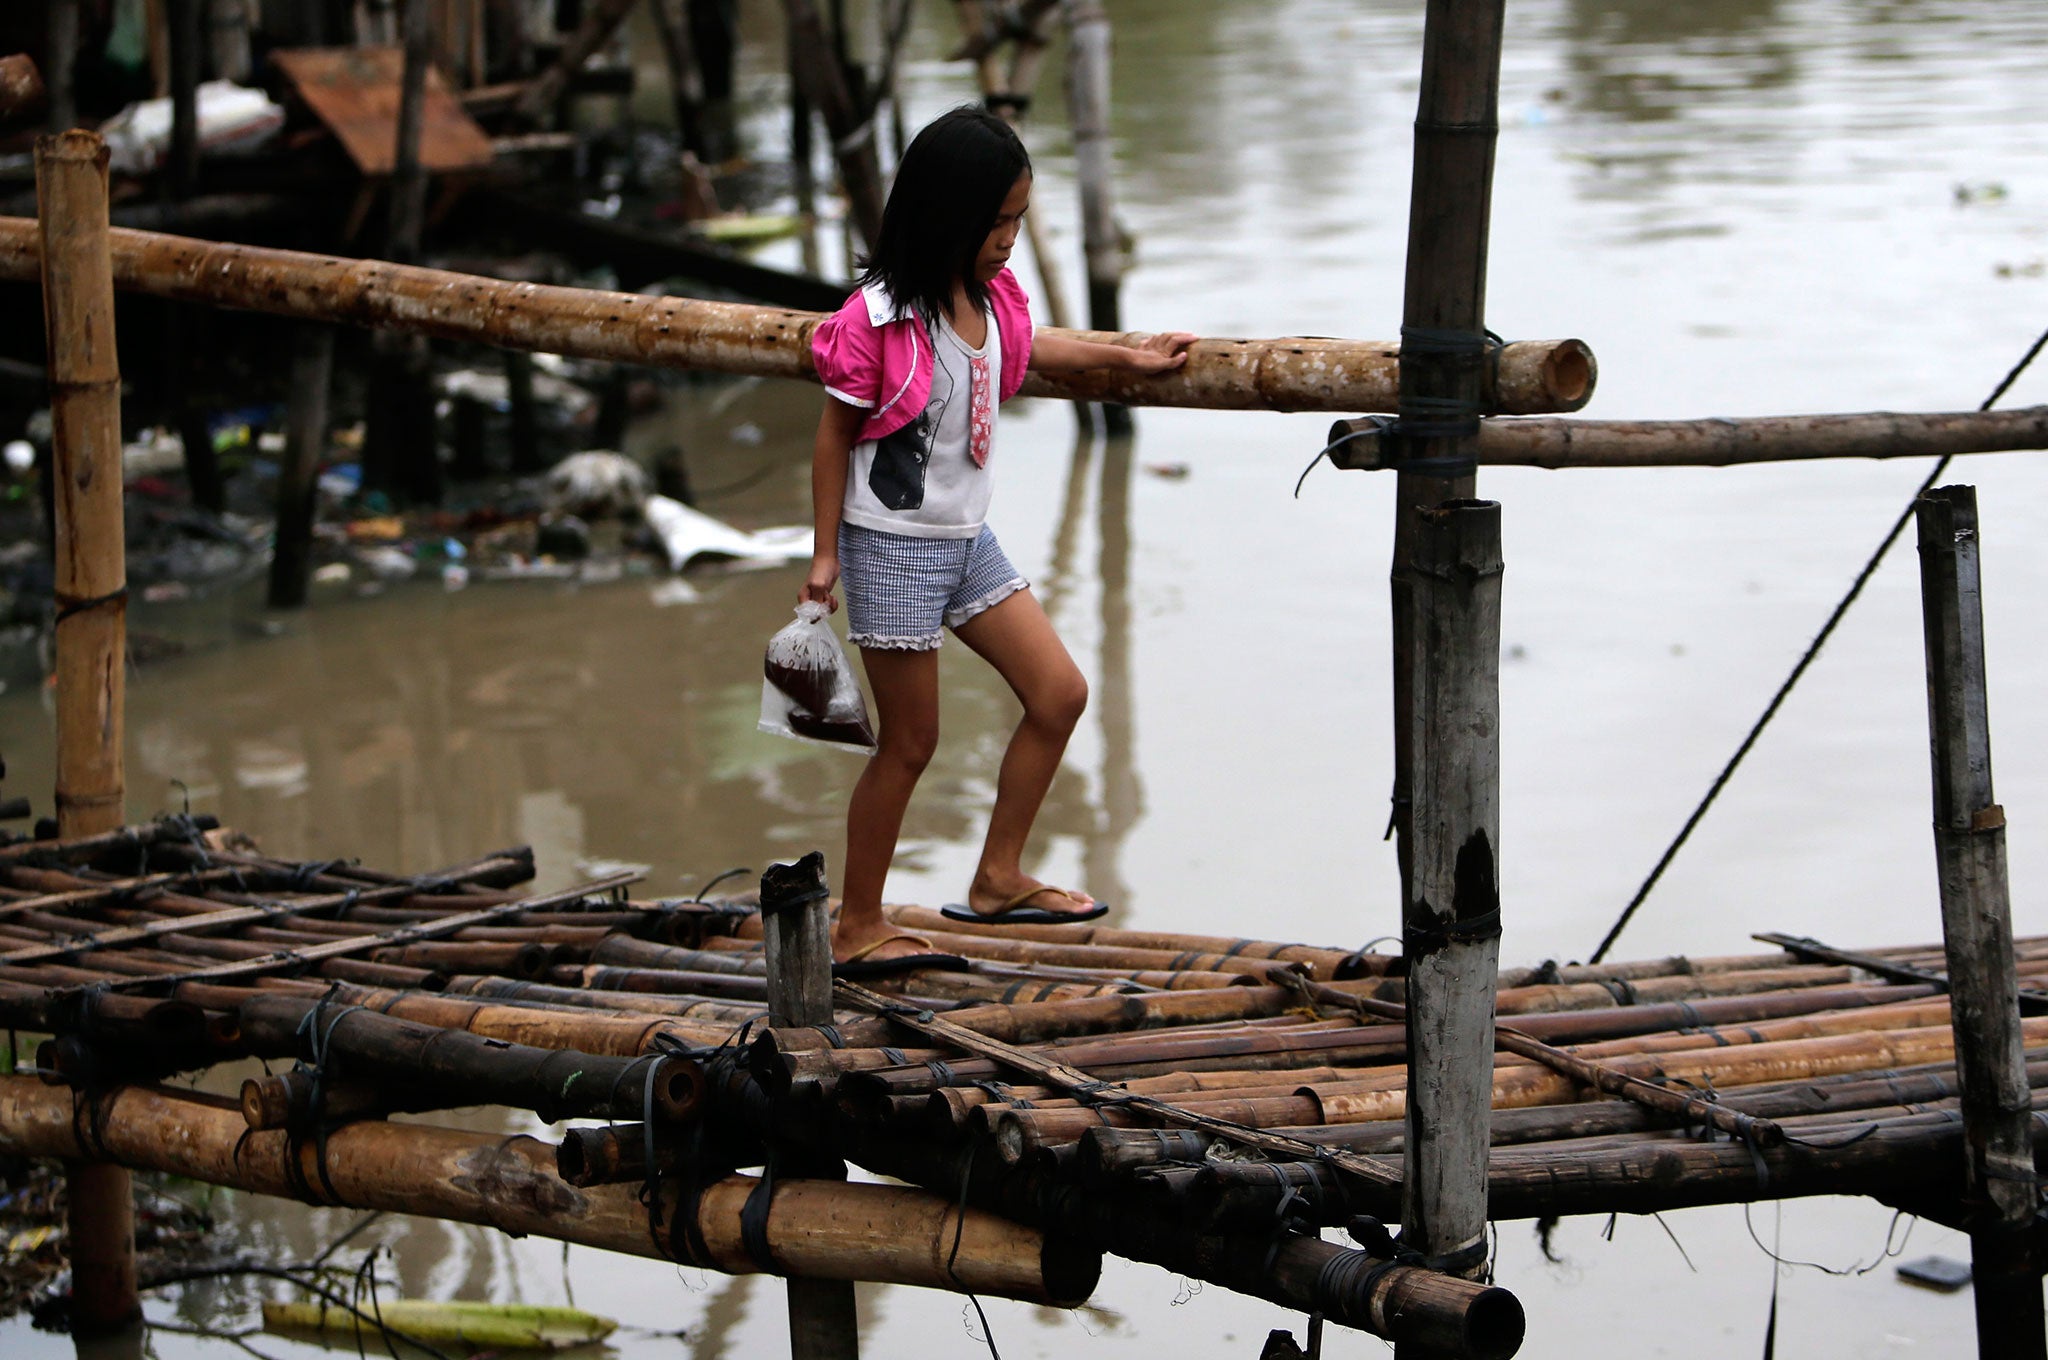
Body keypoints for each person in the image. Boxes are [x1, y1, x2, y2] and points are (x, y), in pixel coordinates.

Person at [803, 106, 1195, 973]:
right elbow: (835, 434)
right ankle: (856, 923)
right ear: (949, 212)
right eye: (999, 221)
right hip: (892, 543)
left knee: (1058, 694)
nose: (1010, 238)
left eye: (1019, 219)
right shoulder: (878, 316)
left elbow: (1034, 347)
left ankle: (997, 875)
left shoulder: (989, 300)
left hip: (965, 538)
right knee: (910, 743)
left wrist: (1127, 358)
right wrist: (825, 555)